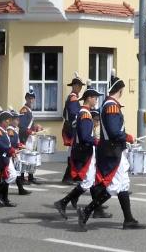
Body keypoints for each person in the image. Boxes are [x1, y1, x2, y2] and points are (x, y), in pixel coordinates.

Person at [78, 72, 145, 231]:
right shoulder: (112, 106)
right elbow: (115, 132)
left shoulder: (106, 104)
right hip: (112, 150)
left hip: (113, 149)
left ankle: (128, 220)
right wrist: (129, 137)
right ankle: (87, 211)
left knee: (122, 184)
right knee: (115, 186)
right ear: (120, 90)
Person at [54, 86, 100, 219]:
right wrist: (97, 142)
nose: (96, 100)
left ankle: (71, 202)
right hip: (84, 152)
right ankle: (63, 203)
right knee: (88, 181)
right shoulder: (85, 114)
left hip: (83, 151)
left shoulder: (82, 112)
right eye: (95, 98)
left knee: (90, 181)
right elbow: (85, 137)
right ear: (89, 98)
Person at [61, 73, 85, 184]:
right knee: (72, 153)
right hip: (71, 128)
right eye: (78, 86)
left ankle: (71, 176)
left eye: (80, 86)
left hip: (70, 127)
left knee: (72, 152)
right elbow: (74, 114)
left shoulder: (72, 98)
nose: (80, 88)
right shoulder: (73, 98)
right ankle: (68, 177)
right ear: (74, 86)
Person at [18, 88, 44, 187]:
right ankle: (21, 177)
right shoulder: (24, 110)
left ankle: (31, 176)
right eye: (29, 98)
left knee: (31, 157)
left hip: (29, 137)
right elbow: (22, 126)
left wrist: (36, 127)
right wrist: (31, 131)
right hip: (25, 137)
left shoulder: (29, 110)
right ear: (26, 98)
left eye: (32, 98)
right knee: (24, 157)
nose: (31, 100)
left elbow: (29, 125)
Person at [0, 110, 18, 207]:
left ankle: (4, 198)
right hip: (3, 157)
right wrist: (9, 149)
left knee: (8, 177)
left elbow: (8, 143)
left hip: (7, 156)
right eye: (7, 120)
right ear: (2, 121)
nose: (9, 122)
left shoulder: (4, 131)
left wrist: (13, 149)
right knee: (10, 176)